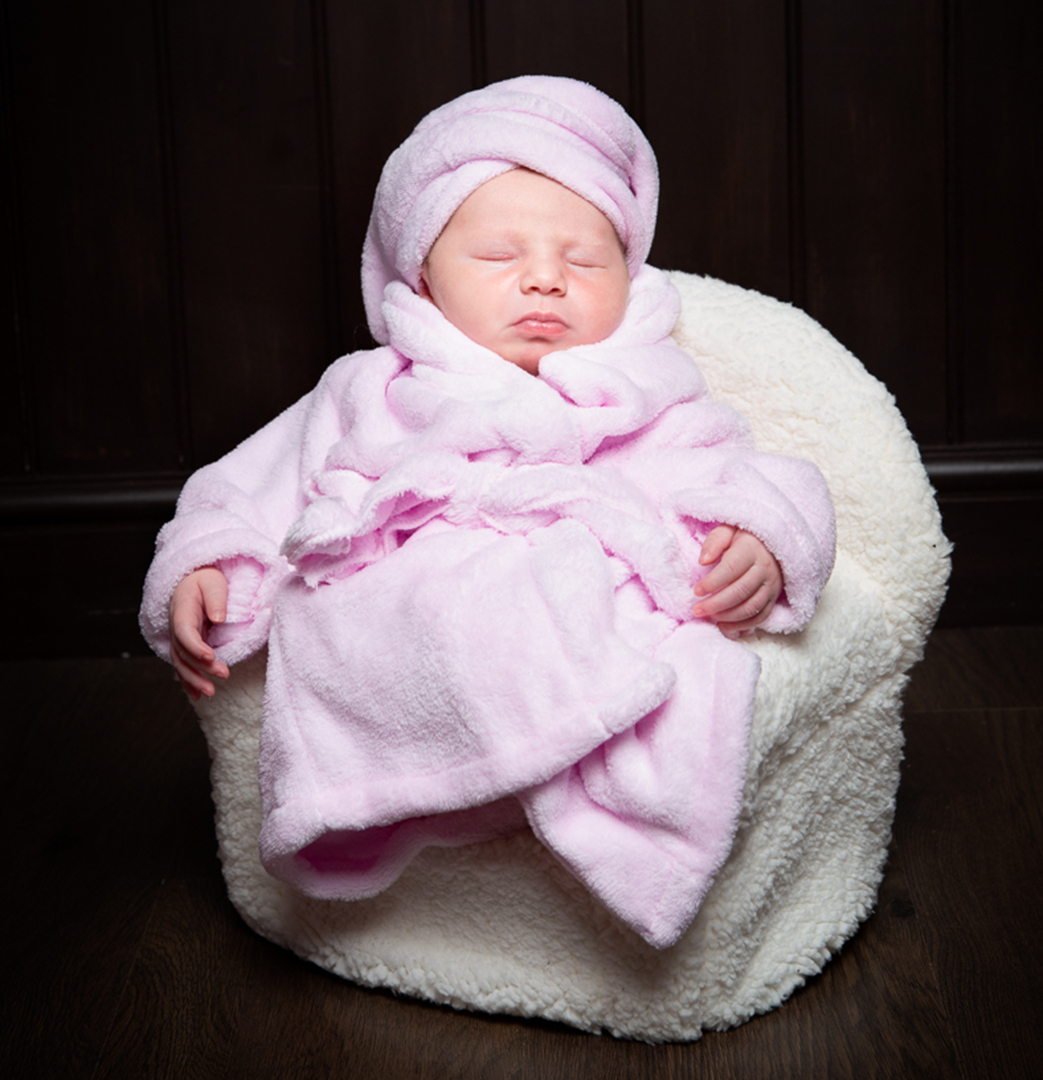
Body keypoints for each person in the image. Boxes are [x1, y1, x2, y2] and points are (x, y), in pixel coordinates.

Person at [140, 76, 835, 948]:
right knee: (373, 615)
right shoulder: (369, 391)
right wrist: (208, 563)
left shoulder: (648, 392)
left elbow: (749, 476)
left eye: (585, 261)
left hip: (580, 597)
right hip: (405, 609)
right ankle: (430, 770)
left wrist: (763, 540)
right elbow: (243, 486)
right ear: (423, 281)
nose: (545, 280)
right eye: (500, 257)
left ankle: (566, 767)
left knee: (660, 649)